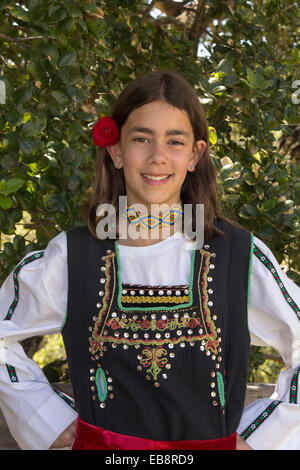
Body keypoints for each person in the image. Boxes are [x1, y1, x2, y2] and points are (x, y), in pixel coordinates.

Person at [0, 71, 299, 450]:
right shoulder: (73, 257)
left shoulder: (236, 256)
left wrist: (260, 438)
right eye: (142, 138)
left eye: (175, 141)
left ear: (194, 155)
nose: (158, 157)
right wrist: (48, 421)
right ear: (117, 151)